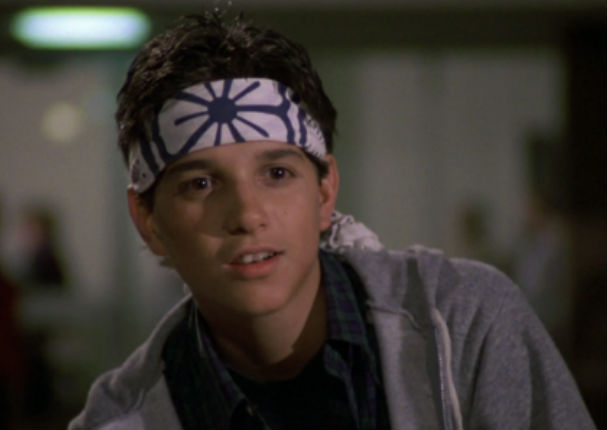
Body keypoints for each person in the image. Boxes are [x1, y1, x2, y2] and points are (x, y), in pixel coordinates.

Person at [69, 11, 596, 430]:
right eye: (200, 184)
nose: (247, 215)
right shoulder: (121, 418)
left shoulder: (464, 323)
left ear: (324, 192)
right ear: (148, 220)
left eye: (277, 173)